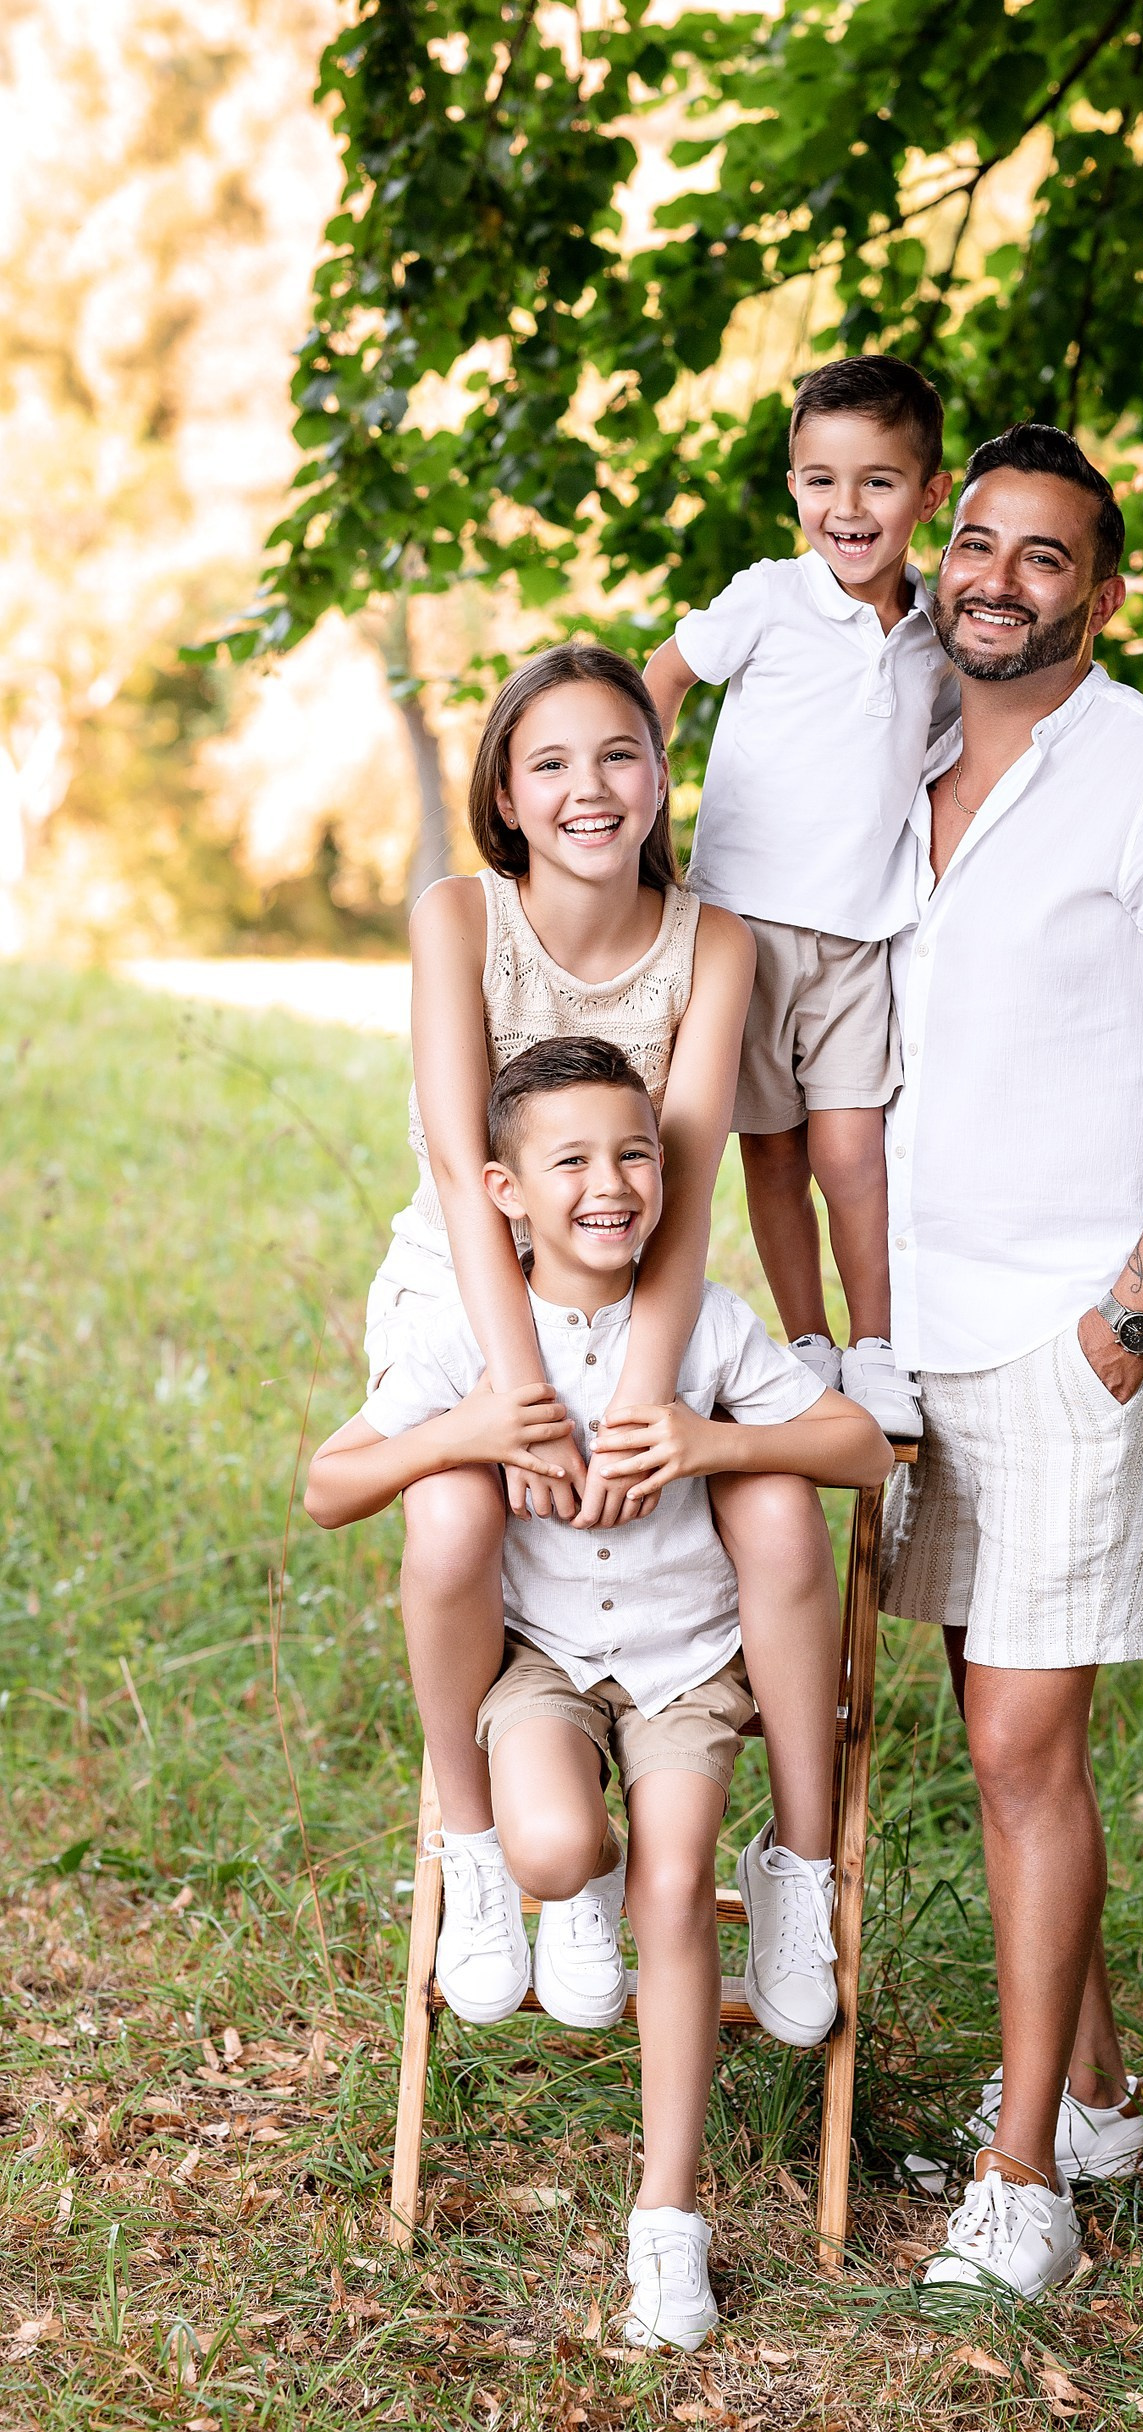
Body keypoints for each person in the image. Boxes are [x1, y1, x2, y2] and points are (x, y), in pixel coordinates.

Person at [880, 424, 1143, 2299]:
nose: (995, 577)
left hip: (1071, 1328)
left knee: (1020, 1749)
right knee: (988, 1730)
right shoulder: (896, 751)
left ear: (1099, 593)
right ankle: (1099, 2087)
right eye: (976, 542)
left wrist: (1133, 1304)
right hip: (921, 1324)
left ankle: (1030, 2177)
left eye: (1044, 557)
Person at [308, 1038, 892, 2350]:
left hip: (685, 1667)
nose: (609, 1184)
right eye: (568, 1160)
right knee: (562, 1850)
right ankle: (575, 1867)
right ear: (504, 1191)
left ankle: (666, 2223)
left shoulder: (702, 1325)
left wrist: (712, 1438)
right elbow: (327, 1485)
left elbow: (859, 1449)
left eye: (632, 1153)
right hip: (542, 1668)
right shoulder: (472, 1329)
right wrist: (462, 1433)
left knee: (676, 1886)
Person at [364, 643, 844, 2047]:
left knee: (758, 1489)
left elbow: (685, 1177)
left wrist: (641, 1395)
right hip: (467, 1282)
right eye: (551, 762)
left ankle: (800, 1865)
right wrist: (519, 1395)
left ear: (659, 776)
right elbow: (464, 1172)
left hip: (646, 1279)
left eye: (620, 754)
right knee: (453, 1512)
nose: (590, 787)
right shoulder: (459, 917)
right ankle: (478, 1839)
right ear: (504, 796)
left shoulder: (714, 942)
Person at [645, 354, 959, 1444]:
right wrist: (645, 816)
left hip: (860, 934)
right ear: (792, 488)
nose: (845, 506)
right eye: (819, 480)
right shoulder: (767, 600)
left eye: (877, 481)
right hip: (735, 929)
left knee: (848, 1152)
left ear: (930, 496)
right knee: (769, 1149)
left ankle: (874, 1349)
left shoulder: (937, 638)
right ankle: (808, 1340)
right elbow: (663, 678)